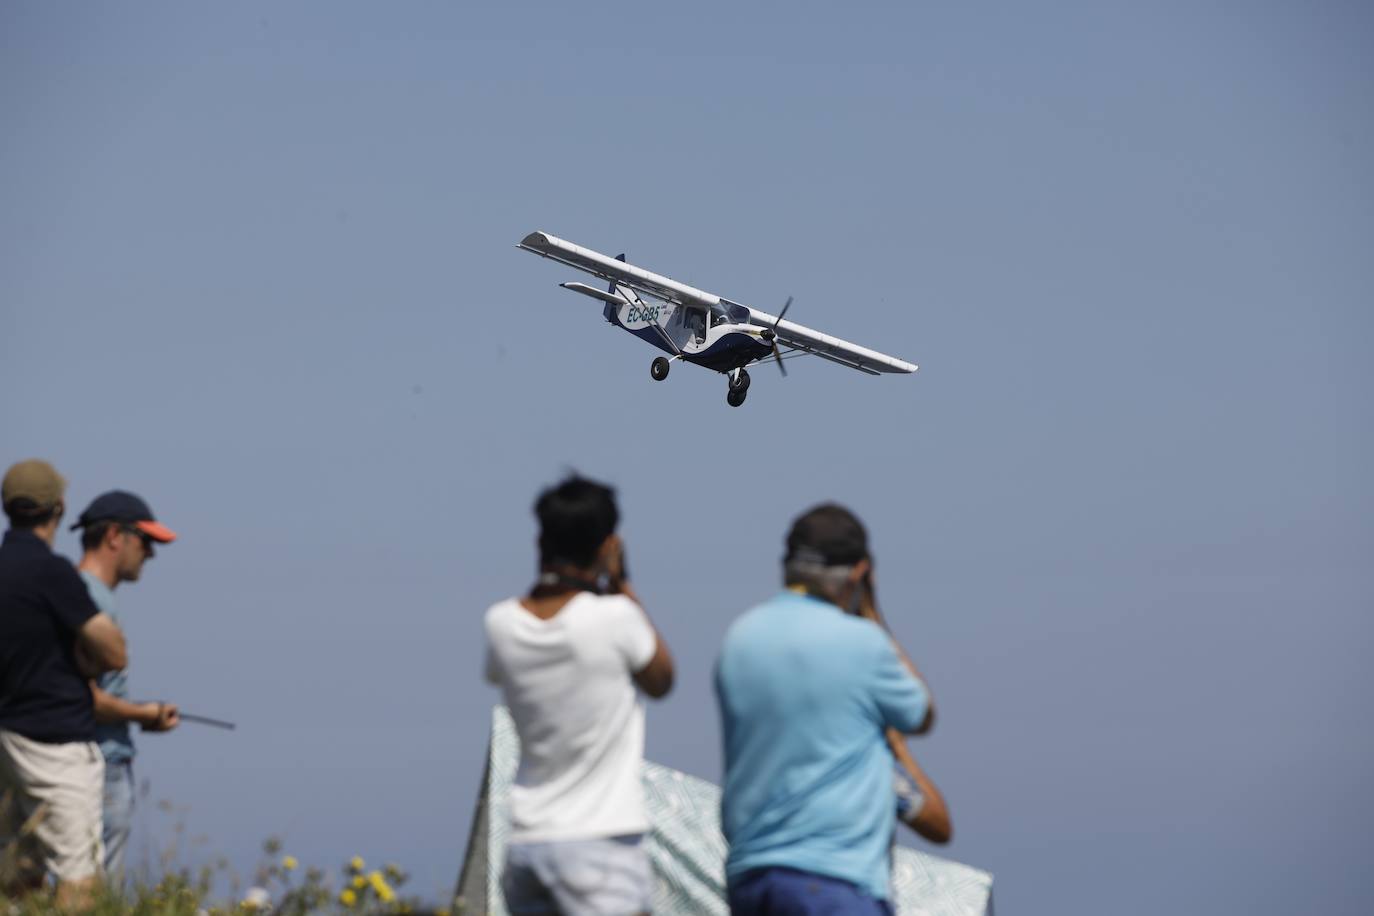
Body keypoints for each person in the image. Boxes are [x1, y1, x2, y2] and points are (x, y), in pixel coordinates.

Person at [714, 504, 951, 916]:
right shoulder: (862, 644)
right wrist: (872, 612)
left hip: (751, 876)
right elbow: (920, 713)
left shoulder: (740, 637)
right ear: (859, 574)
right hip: (833, 877)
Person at [483, 475, 675, 915]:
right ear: (607, 546)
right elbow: (661, 679)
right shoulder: (617, 619)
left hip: (528, 841)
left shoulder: (500, 624)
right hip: (600, 845)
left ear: (541, 541)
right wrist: (621, 582)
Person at [0, 460, 127, 908]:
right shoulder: (51, 572)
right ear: (58, 507)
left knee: (19, 871)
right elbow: (113, 650)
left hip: (6, 739)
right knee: (79, 876)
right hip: (55, 738)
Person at [71, 490, 181, 880]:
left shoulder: (77, 594)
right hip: (101, 763)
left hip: (92, 758)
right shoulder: (89, 600)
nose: (150, 554)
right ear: (115, 536)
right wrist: (145, 714)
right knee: (97, 887)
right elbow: (83, 697)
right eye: (146, 541)